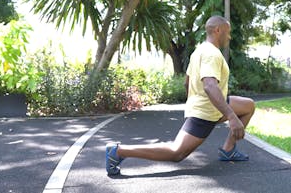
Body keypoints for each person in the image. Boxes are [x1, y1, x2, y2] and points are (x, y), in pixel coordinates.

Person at [106, 15, 256, 175]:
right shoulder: (212, 54)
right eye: (228, 32)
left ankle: (228, 149)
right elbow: (210, 86)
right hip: (205, 113)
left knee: (248, 105)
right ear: (218, 30)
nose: (230, 36)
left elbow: (187, 82)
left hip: (209, 106)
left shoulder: (199, 51)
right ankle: (118, 151)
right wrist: (231, 117)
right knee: (177, 152)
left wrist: (195, 102)